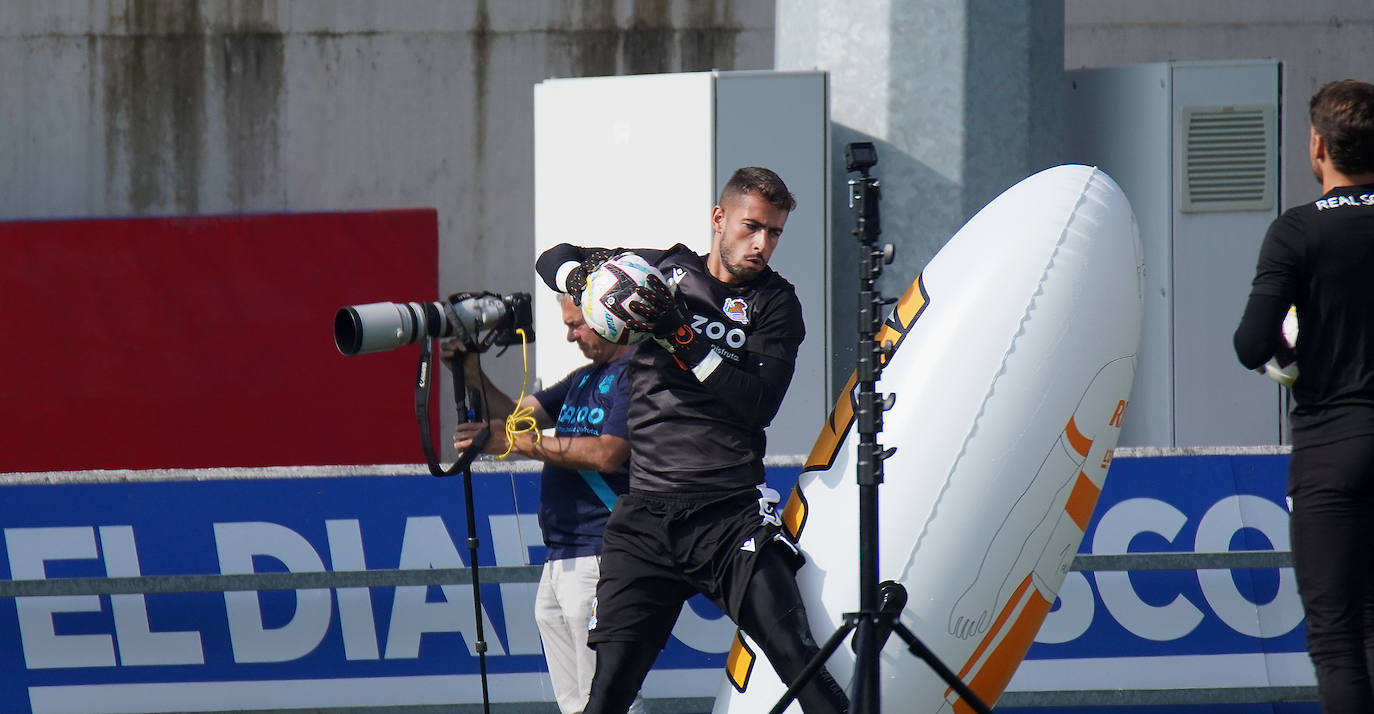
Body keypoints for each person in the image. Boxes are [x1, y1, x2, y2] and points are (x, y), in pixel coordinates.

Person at [535, 166, 850, 714]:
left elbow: (757, 403)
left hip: (729, 519)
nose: (761, 245)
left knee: (802, 663)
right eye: (751, 227)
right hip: (646, 522)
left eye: (774, 233)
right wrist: (592, 280)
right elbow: (551, 258)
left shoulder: (776, 304)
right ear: (719, 218)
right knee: (605, 696)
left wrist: (678, 333)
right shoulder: (663, 268)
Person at [1234, 79, 1374, 714]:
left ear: (1318, 146)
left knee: (1339, 639)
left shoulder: (1298, 232)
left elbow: (1251, 342)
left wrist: (1293, 356)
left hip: (1332, 451)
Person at [451, 295, 645, 714]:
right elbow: (516, 417)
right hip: (561, 555)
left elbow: (607, 454)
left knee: (610, 697)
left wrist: (515, 441)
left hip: (603, 551)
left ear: (609, 319)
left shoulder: (637, 374)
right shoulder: (582, 379)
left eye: (577, 325)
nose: (570, 335)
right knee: (575, 702)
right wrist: (469, 369)